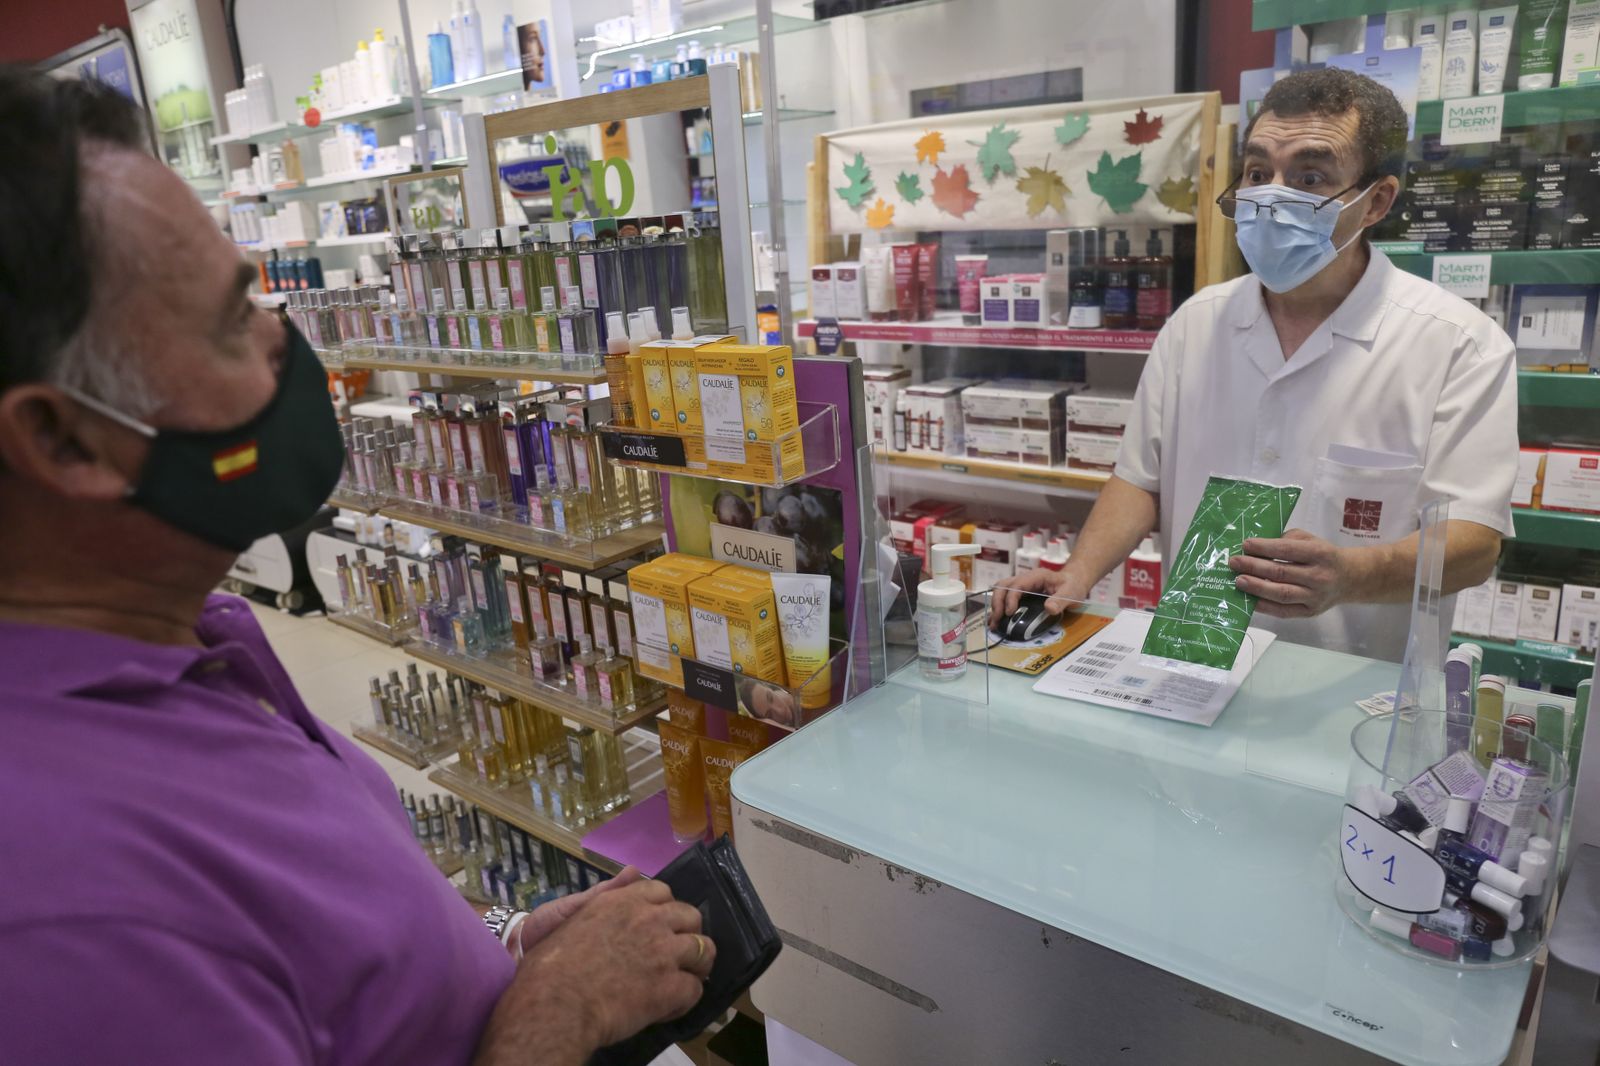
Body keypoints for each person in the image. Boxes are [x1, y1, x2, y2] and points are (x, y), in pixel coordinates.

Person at [0, 67, 713, 1064]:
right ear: (67, 441)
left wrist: (488, 962)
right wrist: (553, 1015)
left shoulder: (189, 643)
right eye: (234, 315)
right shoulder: (72, 917)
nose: (289, 347)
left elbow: (321, 985)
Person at [998, 68, 1517, 661]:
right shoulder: (1196, 324)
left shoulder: (1460, 347)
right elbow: (1140, 478)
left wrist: (1351, 574)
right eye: (1257, 172)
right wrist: (1078, 573)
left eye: (1309, 177)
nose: (1271, 195)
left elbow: (1475, 544)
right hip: (1193, 663)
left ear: (1376, 201)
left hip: (1350, 696)